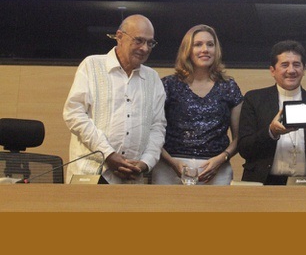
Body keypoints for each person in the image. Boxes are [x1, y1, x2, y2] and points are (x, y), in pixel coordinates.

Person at [62, 14, 166, 184]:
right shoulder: (92, 65)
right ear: (119, 37)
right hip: (90, 173)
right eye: (139, 40)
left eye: (150, 43)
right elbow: (74, 114)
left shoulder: (152, 79)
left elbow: (158, 126)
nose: (145, 48)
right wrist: (108, 154)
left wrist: (146, 163)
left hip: (132, 176)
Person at [237, 40, 306, 184]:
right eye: (284, 65)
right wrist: (271, 132)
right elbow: (244, 149)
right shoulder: (254, 99)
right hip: (263, 184)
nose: (291, 70)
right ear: (272, 70)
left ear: (304, 69)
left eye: (296, 64)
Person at [153, 25, 243, 185]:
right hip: (169, 167)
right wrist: (172, 163)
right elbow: (152, 131)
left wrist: (222, 158)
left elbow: (240, 137)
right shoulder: (167, 85)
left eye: (210, 44)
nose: (205, 49)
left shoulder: (229, 86)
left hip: (217, 169)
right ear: (187, 49)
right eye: (198, 44)